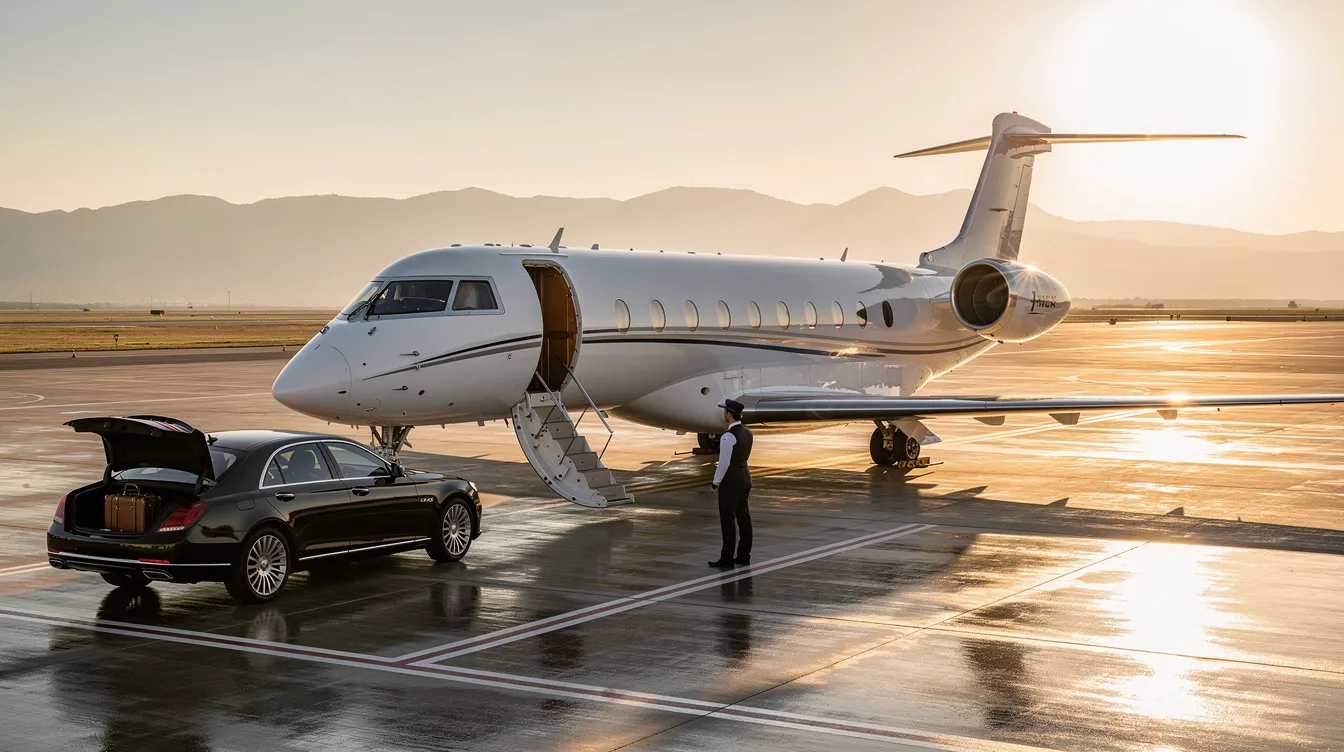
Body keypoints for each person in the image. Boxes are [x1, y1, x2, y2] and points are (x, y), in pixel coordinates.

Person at [709, 398, 753, 569]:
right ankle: (743, 555)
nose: (724, 414)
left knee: (728, 519)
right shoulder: (747, 432)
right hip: (745, 476)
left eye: (725, 411)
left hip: (732, 479)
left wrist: (715, 484)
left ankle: (727, 558)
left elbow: (724, 463)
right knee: (744, 517)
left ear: (729, 414)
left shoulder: (728, 436)